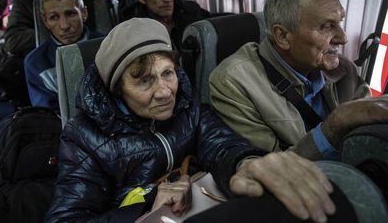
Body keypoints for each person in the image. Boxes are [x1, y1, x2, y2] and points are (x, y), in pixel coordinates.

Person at [47, 17, 336, 223]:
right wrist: (145, 206)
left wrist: (245, 165)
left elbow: (222, 145)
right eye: (144, 81)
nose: (164, 92)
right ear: (117, 89)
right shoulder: (84, 137)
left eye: (167, 73)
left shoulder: (186, 104)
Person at [209, 0, 388, 161]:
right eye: (326, 26)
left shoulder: (344, 69)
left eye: (340, 22)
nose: (343, 38)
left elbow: (367, 137)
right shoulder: (232, 83)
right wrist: (335, 125)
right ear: (283, 36)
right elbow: (266, 170)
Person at [24, 0, 101, 109]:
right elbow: (48, 115)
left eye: (70, 14)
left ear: (84, 13)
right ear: (45, 22)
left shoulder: (108, 45)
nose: (64, 26)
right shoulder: (36, 63)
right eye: (54, 17)